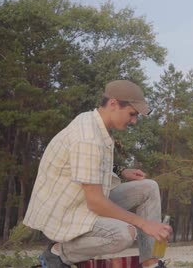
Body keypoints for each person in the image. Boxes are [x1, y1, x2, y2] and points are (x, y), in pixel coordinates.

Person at [24, 80, 172, 268]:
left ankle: (151, 264)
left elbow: (92, 166)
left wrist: (121, 171)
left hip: (83, 203)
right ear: (113, 104)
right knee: (124, 234)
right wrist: (144, 224)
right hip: (68, 213)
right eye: (132, 114)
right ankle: (56, 254)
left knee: (149, 188)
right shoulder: (88, 138)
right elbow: (95, 202)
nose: (134, 121)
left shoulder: (94, 122)